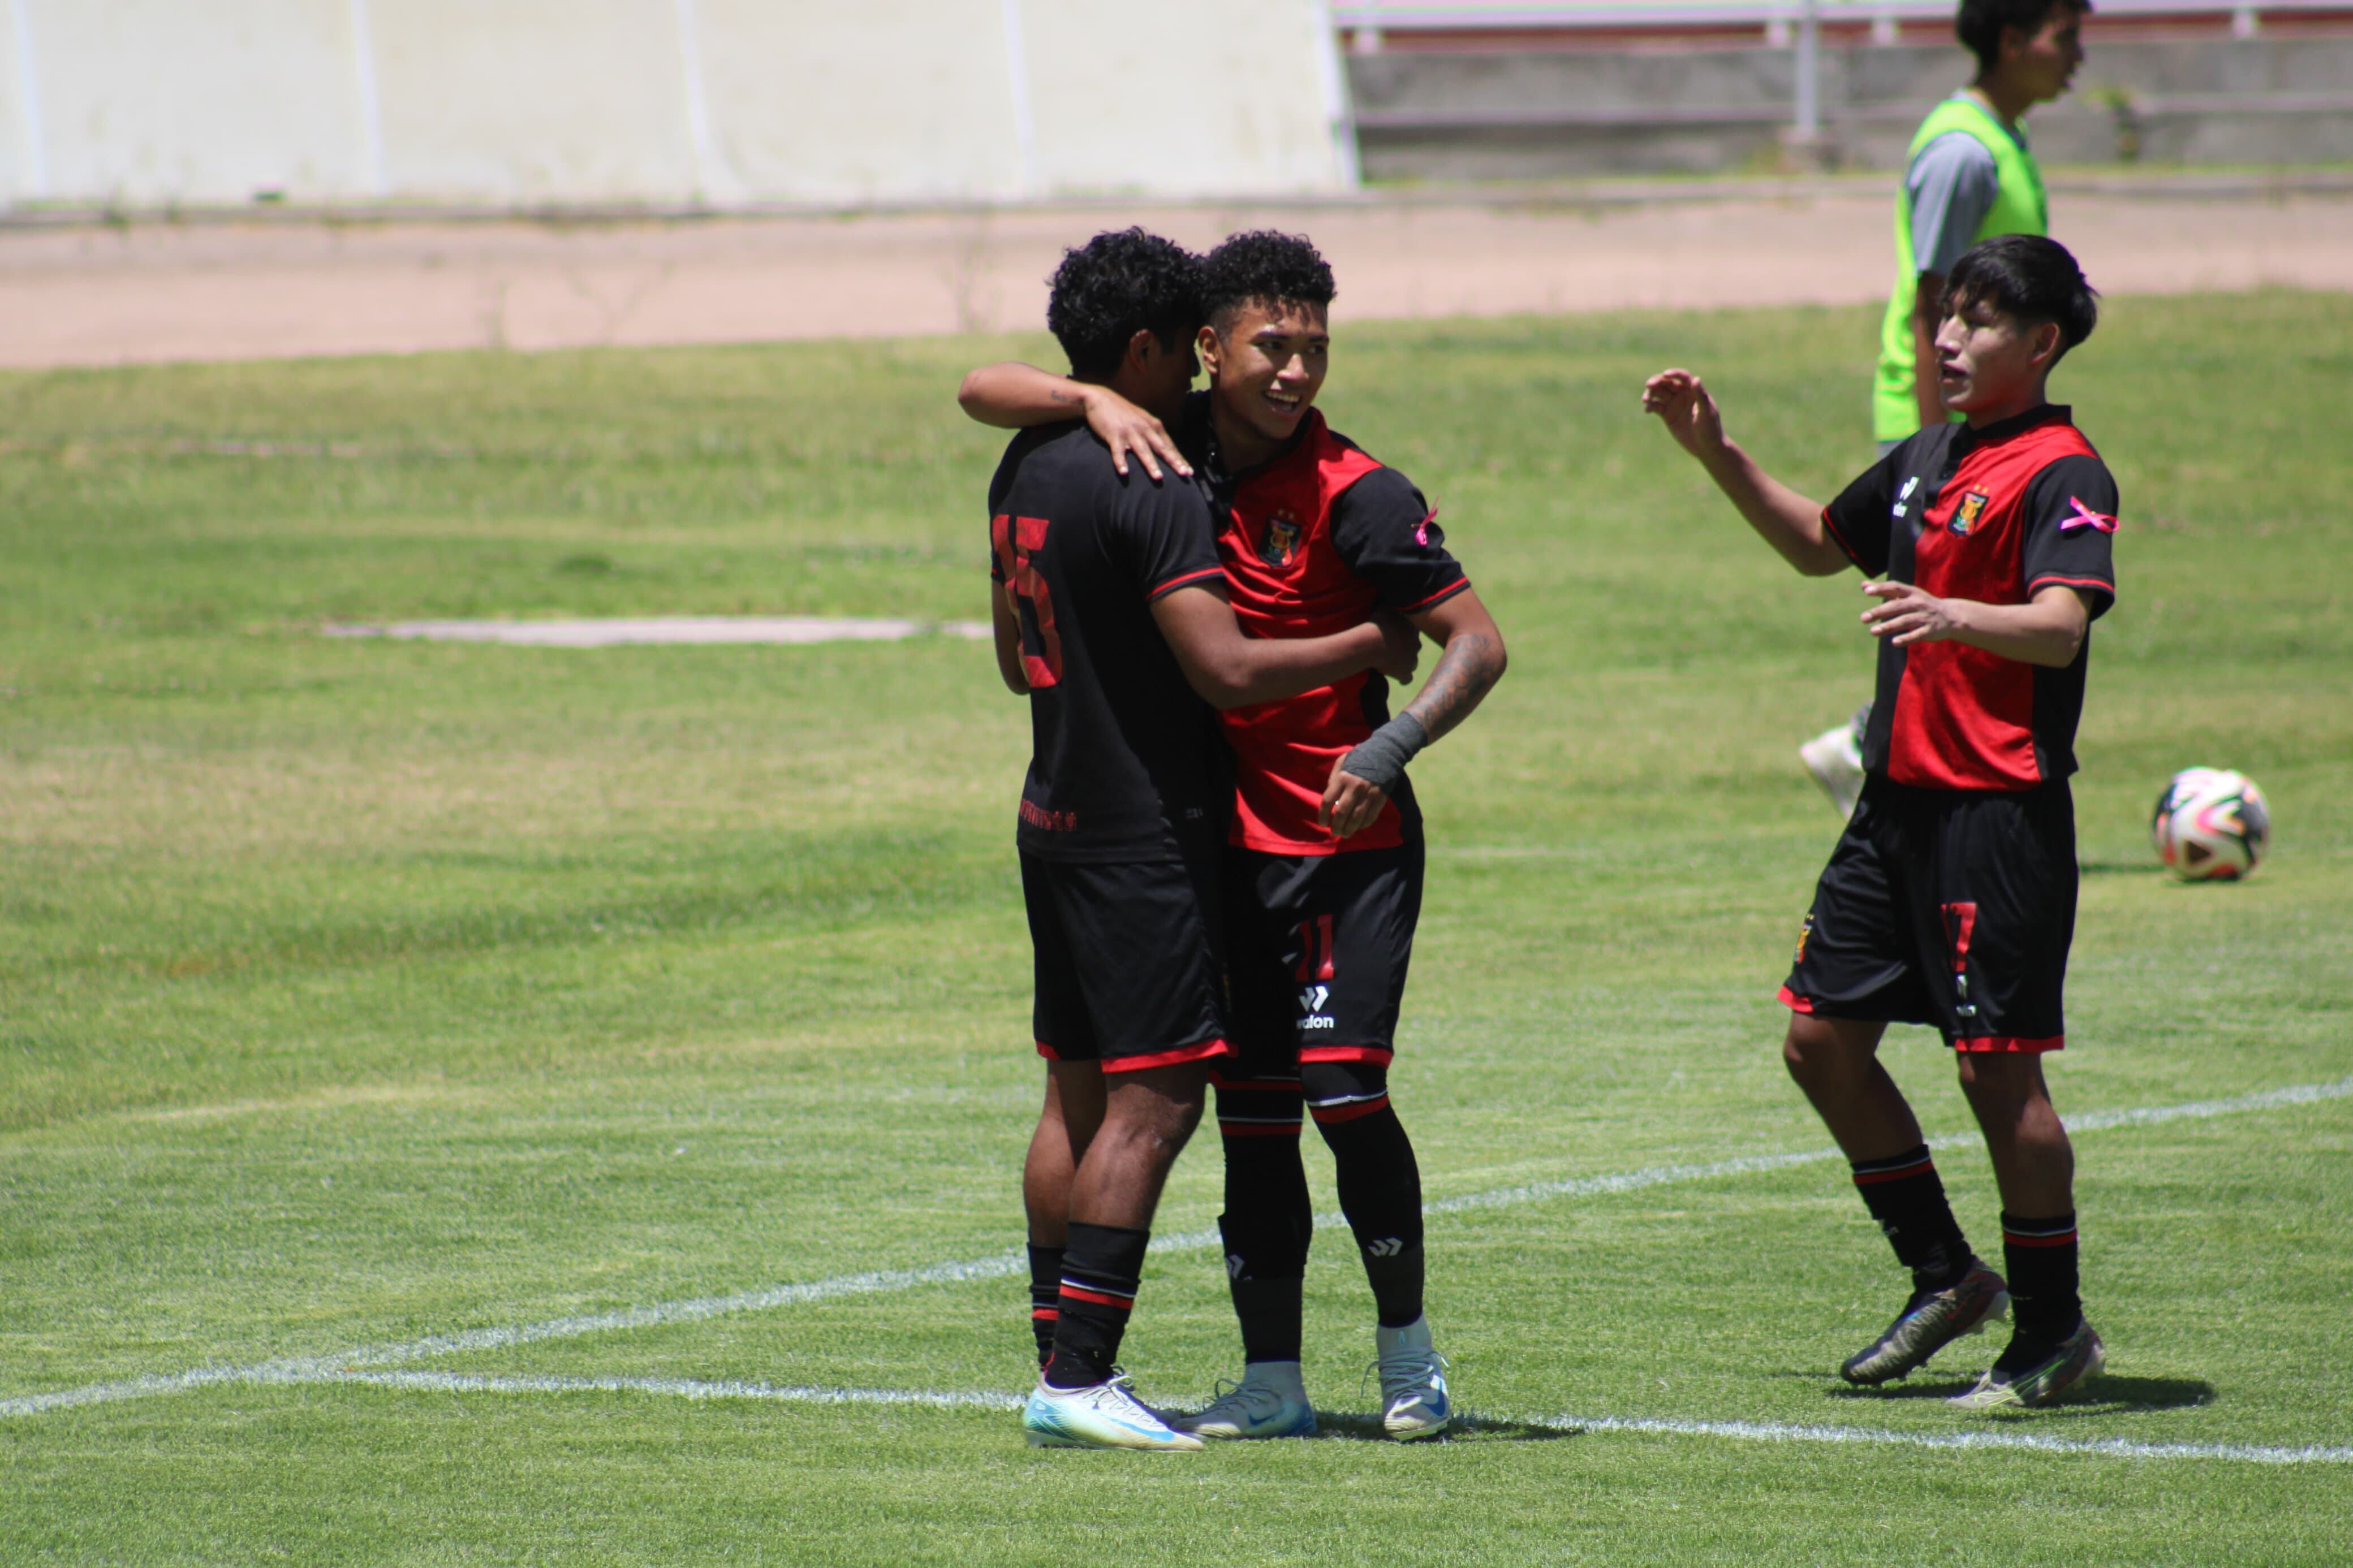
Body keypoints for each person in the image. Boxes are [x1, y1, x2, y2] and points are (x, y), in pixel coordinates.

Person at [963, 231, 1508, 1441]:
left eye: (1316, 346)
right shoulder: (1166, 451)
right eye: (1273, 345)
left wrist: (1388, 747)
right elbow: (983, 385)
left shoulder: (1359, 491)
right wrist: (1092, 397)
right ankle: (1268, 1380)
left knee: (1344, 1094)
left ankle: (1409, 1357)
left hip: (1341, 846)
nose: (1296, 369)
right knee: (1251, 1118)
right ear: (1202, 350)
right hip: (1216, 852)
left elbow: (1479, 641)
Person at [1643, 234, 2116, 1410]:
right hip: (1892, 808)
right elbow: (1819, 544)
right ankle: (1947, 1275)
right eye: (1947, 314)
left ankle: (2051, 1330)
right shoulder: (1928, 453)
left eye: (1980, 321)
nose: (1948, 338)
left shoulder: (2065, 471)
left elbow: (2061, 625)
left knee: (1996, 1076)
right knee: (1818, 1042)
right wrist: (1716, 453)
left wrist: (1953, 612)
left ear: (2041, 343)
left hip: (1995, 813)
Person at [1805, 0, 2090, 817]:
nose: (2078, 56)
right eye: (2065, 37)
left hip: (1979, 423)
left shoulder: (2004, 138)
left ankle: (1882, 759)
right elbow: (1932, 300)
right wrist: (1940, 442)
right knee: (1937, 631)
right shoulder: (1964, 152)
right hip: (1938, 422)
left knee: (1962, 624)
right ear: (2012, 40)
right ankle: (1872, 755)